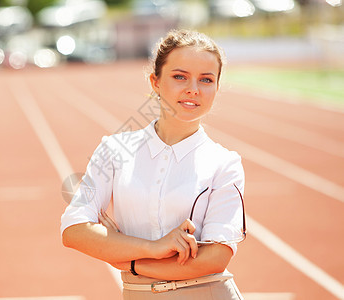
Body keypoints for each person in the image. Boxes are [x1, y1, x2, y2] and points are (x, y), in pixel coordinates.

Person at [60, 29, 246, 299]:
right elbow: (74, 230)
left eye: (206, 79)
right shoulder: (114, 150)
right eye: (179, 76)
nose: (193, 89)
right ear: (155, 82)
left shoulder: (225, 163)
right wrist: (154, 248)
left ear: (217, 87)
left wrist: (132, 263)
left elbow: (215, 259)